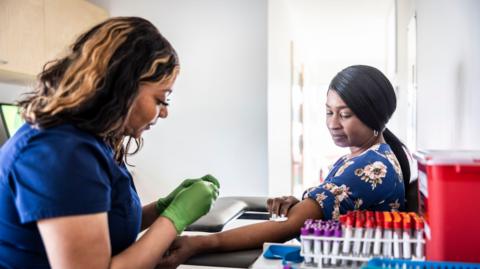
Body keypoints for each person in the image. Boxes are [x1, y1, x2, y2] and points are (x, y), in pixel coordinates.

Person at [0, 17, 220, 269]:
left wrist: (161, 209)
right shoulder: (60, 153)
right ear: (122, 87)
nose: (164, 112)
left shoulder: (93, 141)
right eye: (161, 100)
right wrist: (175, 219)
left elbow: (97, 228)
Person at [157, 65, 411, 268]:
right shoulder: (370, 155)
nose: (333, 123)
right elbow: (328, 213)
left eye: (344, 115)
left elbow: (290, 227)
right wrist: (303, 207)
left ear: (374, 115)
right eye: (328, 112)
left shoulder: (369, 167)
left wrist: (200, 244)